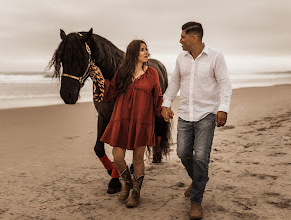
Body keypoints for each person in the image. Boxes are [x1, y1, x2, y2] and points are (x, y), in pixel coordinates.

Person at [161, 22, 232, 219]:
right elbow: (174, 83)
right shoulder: (180, 58)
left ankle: (196, 201)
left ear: (194, 38)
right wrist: (166, 104)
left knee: (201, 157)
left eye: (183, 37)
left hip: (207, 114)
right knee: (183, 153)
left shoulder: (216, 56)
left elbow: (225, 84)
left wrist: (223, 109)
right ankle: (200, 178)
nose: (180, 40)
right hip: (185, 114)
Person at [90, 40, 163, 208]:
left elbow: (158, 96)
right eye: (142, 50)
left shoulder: (152, 73)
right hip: (121, 119)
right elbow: (110, 91)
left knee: (138, 159)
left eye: (147, 49)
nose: (147, 53)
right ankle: (128, 183)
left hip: (142, 121)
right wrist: (99, 80)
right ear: (133, 54)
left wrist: (162, 111)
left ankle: (136, 192)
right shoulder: (122, 72)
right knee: (118, 157)